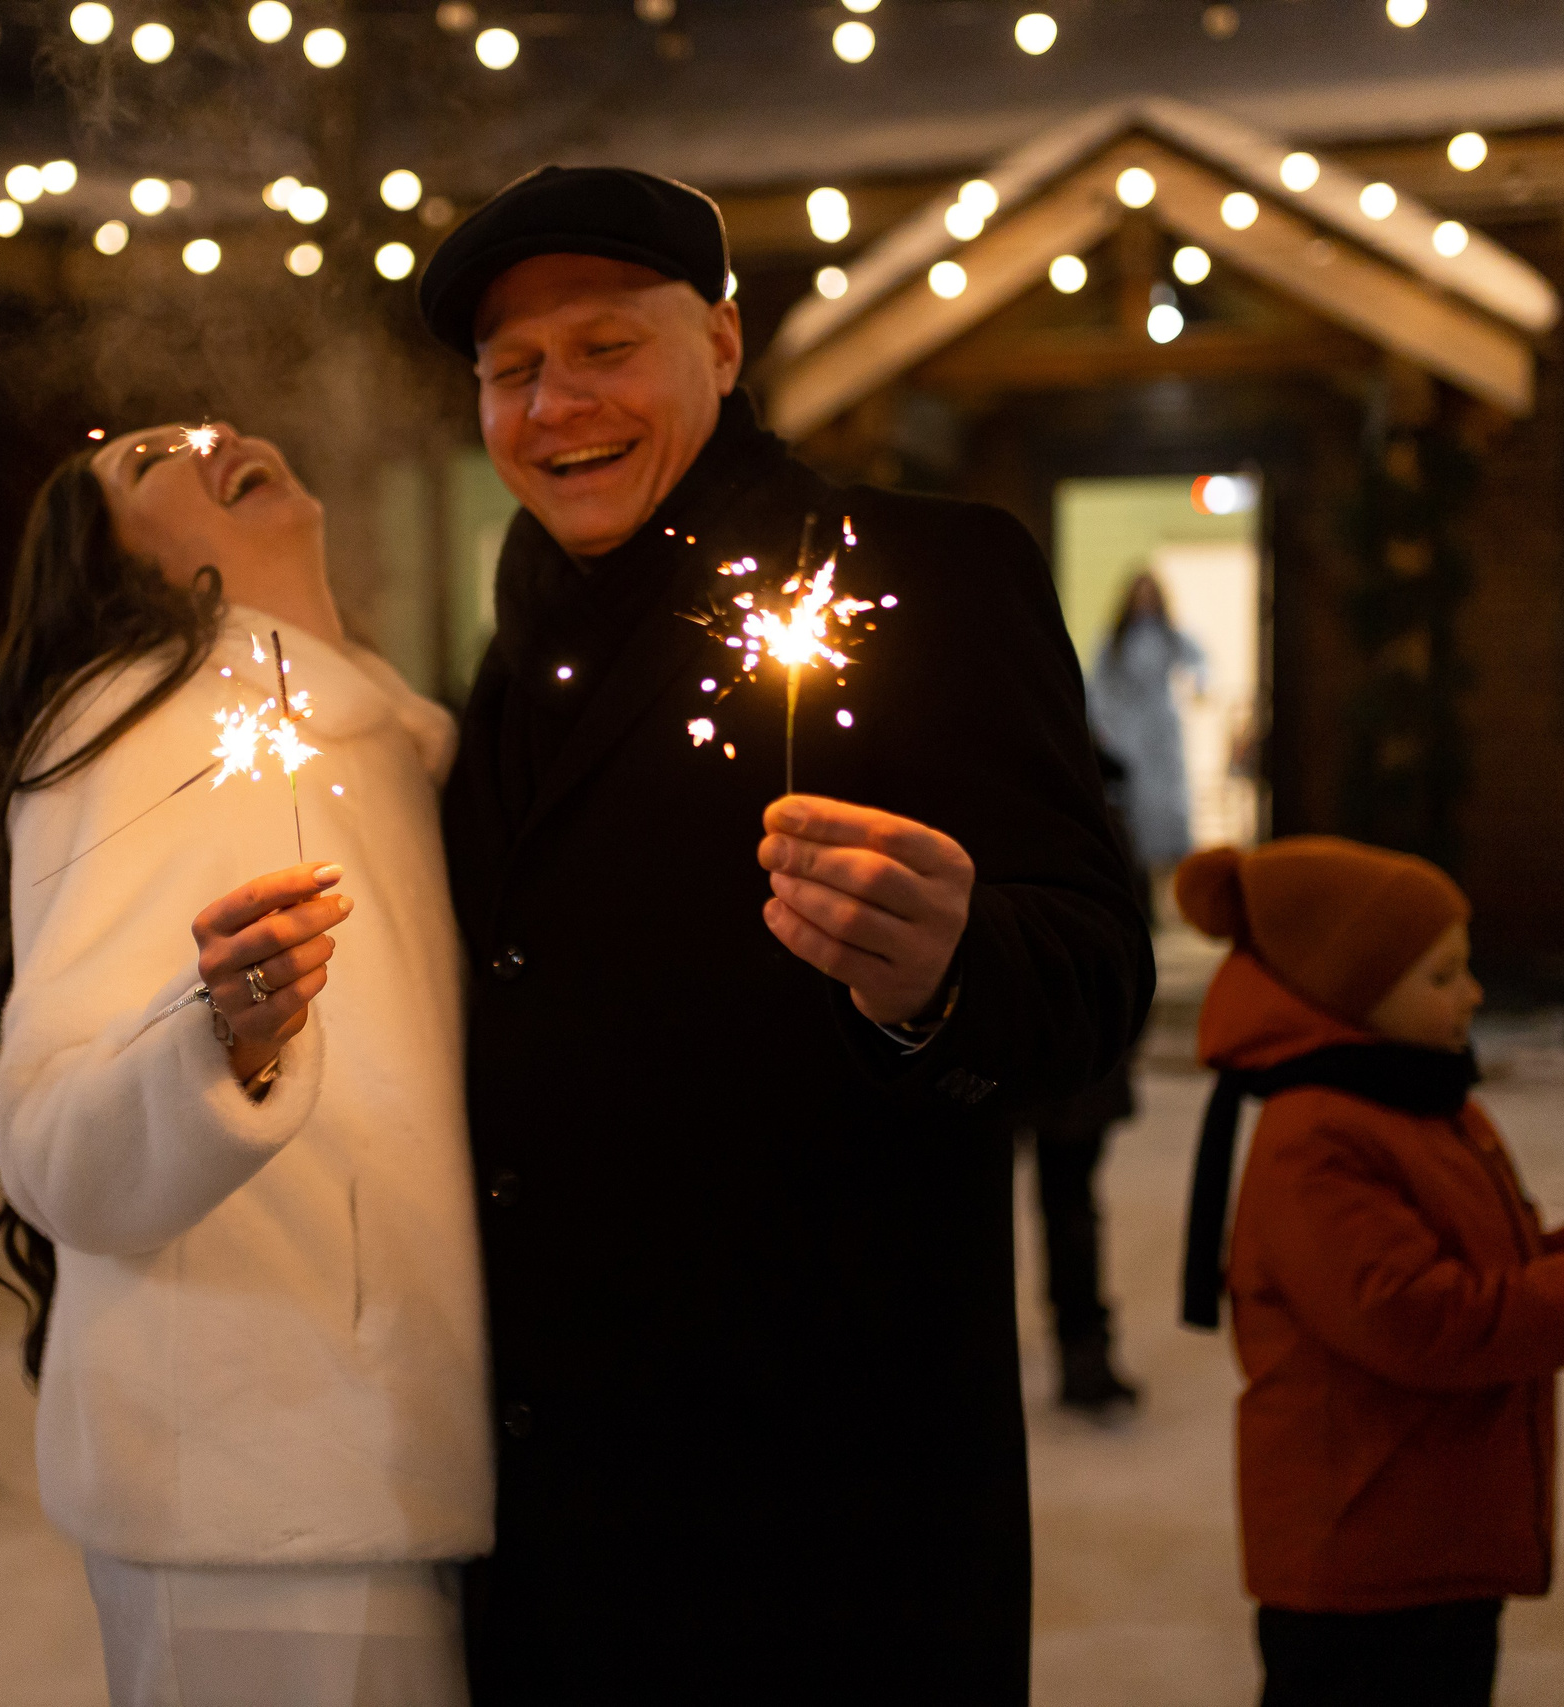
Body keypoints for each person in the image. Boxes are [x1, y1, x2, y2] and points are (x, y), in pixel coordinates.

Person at [415, 165, 1154, 1701]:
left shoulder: (925, 574)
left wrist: (946, 972)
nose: (554, 405)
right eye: (511, 368)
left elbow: (1091, 980)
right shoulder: (516, 650)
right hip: (557, 1509)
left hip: (819, 1520)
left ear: (724, 341)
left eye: (605, 347)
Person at [0, 423, 492, 1707]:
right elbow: (49, 1138)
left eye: (212, 421)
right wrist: (221, 1043)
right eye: (149, 458)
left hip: (385, 1454)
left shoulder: (373, 740)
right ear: (120, 563)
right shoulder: (153, 726)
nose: (214, 440)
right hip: (245, 1487)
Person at [1173, 836, 1564, 1707]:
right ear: (1352, 993)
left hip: (1430, 1530)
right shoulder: (1317, 1138)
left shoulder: (1420, 1102)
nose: (1473, 993)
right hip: (1360, 1552)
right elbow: (1415, 1318)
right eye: (1442, 975)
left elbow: (1488, 1270)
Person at [1021, 745, 1148, 1416]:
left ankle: (1082, 1352)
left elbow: (1128, 941)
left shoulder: (1001, 794)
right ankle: (1083, 1353)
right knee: (1069, 1206)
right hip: (1069, 1042)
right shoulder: (1098, 812)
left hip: (1057, 1040)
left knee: (1065, 1205)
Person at [1085, 569, 1208, 878]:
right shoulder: (1114, 641)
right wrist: (1103, 726)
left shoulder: (1169, 636)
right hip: (1130, 733)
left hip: (1162, 734)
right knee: (1137, 807)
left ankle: (1171, 874)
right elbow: (1097, 685)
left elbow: (1200, 661)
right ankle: (1140, 875)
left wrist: (1199, 686)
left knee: (1170, 804)